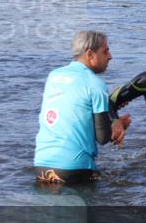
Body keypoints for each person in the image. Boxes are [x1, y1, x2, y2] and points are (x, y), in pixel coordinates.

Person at [34, 31, 131, 184]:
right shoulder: (96, 84)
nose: (110, 56)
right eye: (105, 51)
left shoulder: (53, 76)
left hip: (41, 166)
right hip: (74, 168)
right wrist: (119, 125)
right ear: (90, 54)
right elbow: (103, 138)